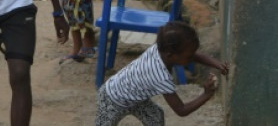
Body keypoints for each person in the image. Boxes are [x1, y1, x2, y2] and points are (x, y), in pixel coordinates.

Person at [95, 21, 229, 126]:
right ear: (171, 54)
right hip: (112, 98)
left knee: (155, 117)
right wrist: (207, 94)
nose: (192, 58)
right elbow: (181, 110)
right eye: (189, 56)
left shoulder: (162, 48)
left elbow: (193, 55)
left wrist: (217, 64)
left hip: (135, 98)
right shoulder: (160, 76)